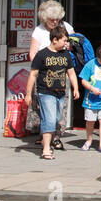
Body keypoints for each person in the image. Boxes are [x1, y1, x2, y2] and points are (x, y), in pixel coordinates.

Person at [25, 26, 79, 160]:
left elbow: (71, 73)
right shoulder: (42, 54)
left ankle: (45, 140)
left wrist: (76, 88)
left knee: (55, 119)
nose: (66, 43)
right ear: (55, 40)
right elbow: (33, 75)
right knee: (49, 119)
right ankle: (46, 150)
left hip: (60, 93)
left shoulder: (65, 55)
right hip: (45, 92)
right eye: (64, 40)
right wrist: (28, 94)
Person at [29, 0, 74, 150]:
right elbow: (32, 53)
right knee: (44, 107)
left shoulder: (66, 27)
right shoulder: (39, 31)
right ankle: (45, 137)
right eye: (51, 20)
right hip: (44, 76)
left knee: (60, 109)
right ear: (44, 18)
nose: (55, 22)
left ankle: (56, 136)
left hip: (61, 74)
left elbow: (74, 47)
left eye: (57, 19)